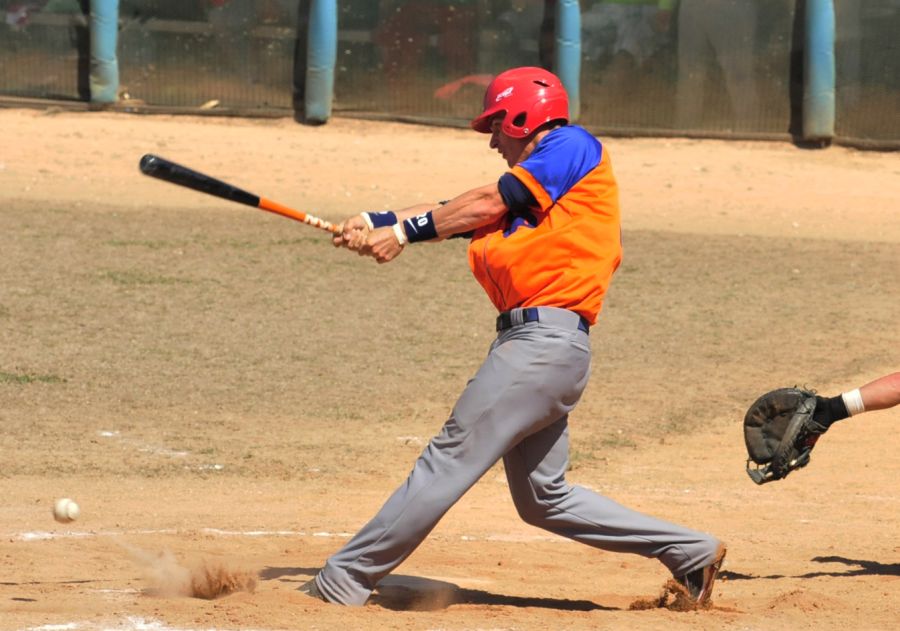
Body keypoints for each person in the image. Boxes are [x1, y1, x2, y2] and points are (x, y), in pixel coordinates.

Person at [301, 66, 726, 608]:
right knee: (545, 499)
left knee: (448, 459)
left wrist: (403, 233)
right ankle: (691, 551)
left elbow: (480, 203)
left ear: (525, 115)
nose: (495, 142)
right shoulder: (529, 196)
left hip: (540, 349)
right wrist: (372, 220)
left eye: (497, 127)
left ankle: (344, 579)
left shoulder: (570, 146)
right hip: (545, 353)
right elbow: (450, 210)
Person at [674, 0, 760, 131]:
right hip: (693, 7)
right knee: (690, 74)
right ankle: (684, 131)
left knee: (738, 75)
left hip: (731, 7)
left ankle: (750, 132)